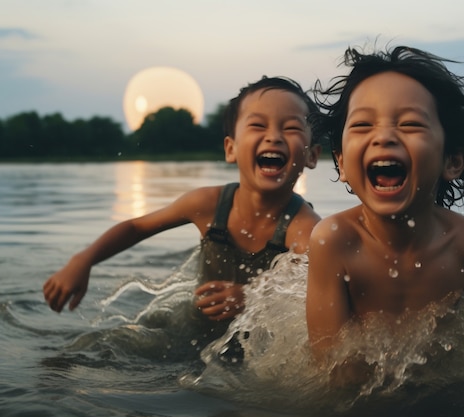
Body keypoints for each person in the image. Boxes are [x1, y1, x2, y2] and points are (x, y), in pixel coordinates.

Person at [44, 76, 322, 329]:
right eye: (258, 125)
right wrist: (83, 260)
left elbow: (313, 291)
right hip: (190, 329)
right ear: (231, 149)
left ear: (311, 155)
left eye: (291, 128)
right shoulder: (209, 205)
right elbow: (137, 227)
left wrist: (253, 298)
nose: (273, 136)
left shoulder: (304, 228)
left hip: (258, 345)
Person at [306, 45, 464, 361]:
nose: (383, 137)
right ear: (341, 164)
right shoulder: (334, 242)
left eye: (410, 124)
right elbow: (329, 370)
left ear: (452, 161)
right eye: (362, 125)